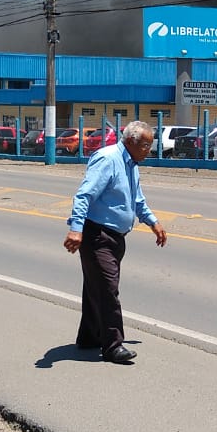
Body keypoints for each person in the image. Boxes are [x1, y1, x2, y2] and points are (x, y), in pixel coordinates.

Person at [64, 121, 167, 364]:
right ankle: (113, 346)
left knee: (96, 288)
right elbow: (84, 195)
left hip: (115, 237)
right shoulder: (108, 159)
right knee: (108, 290)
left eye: (150, 146)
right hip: (96, 235)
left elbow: (136, 199)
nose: (148, 151)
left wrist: (153, 222)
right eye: (145, 146)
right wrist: (76, 229)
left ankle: (89, 337)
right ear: (130, 142)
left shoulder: (132, 164)